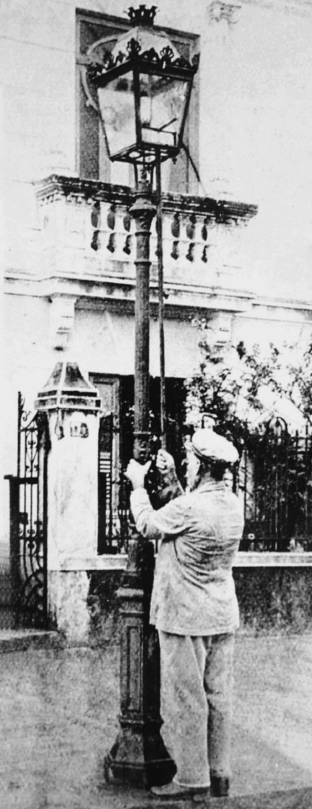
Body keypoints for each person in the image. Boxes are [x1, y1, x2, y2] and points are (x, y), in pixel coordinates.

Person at [126, 428, 244, 801]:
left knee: (188, 698)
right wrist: (175, 478)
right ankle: (219, 773)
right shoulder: (232, 504)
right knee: (218, 696)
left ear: (201, 466)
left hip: (185, 616)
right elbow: (187, 516)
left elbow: (149, 524)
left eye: (191, 462)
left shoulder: (189, 508)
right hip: (221, 613)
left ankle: (192, 779)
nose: (188, 466)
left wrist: (136, 486)